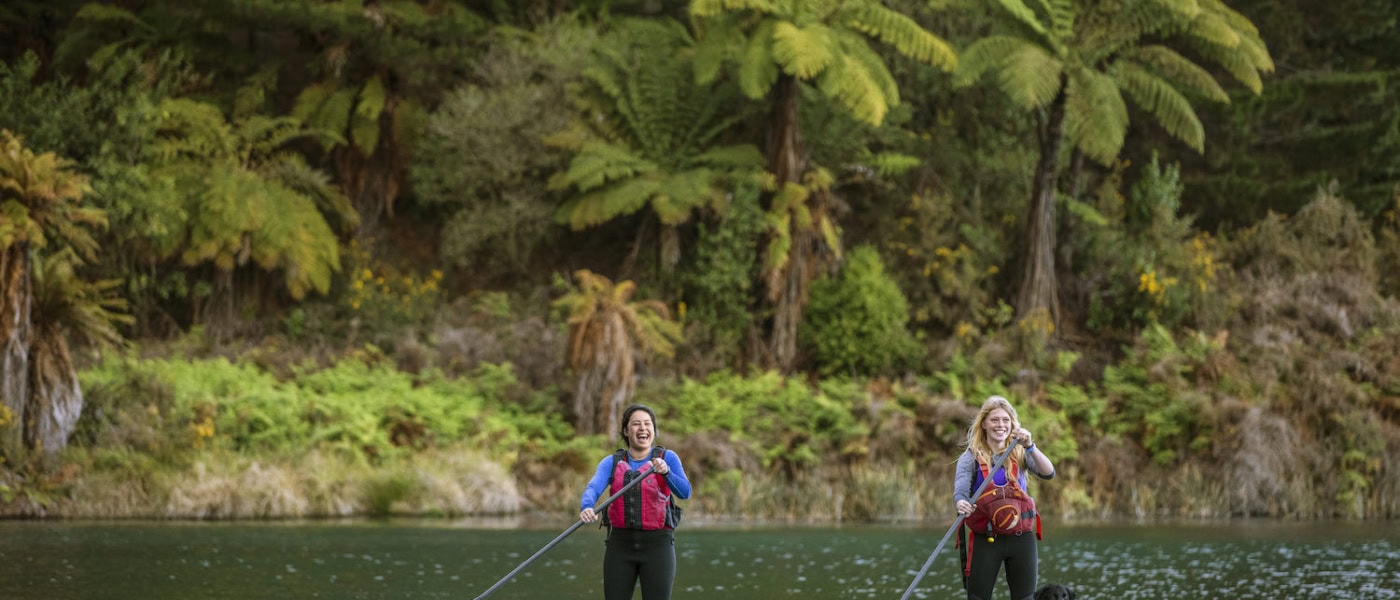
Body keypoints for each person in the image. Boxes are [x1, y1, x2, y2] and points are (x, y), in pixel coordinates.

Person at [579, 404, 691, 600]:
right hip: (620, 547)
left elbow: (685, 492)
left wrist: (666, 472)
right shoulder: (611, 462)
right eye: (636, 424)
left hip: (658, 547)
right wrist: (587, 506)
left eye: (648, 424)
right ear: (626, 430)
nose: (643, 428)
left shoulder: (668, 458)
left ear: (654, 431)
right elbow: (593, 488)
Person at [954, 395, 1056, 600]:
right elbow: (960, 492)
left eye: (1005, 420)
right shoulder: (970, 457)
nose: (1000, 425)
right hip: (986, 538)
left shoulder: (1020, 451)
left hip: (1021, 539)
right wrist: (961, 503)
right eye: (994, 420)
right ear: (984, 423)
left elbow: (1049, 473)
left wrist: (1030, 446)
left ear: (1012, 424)